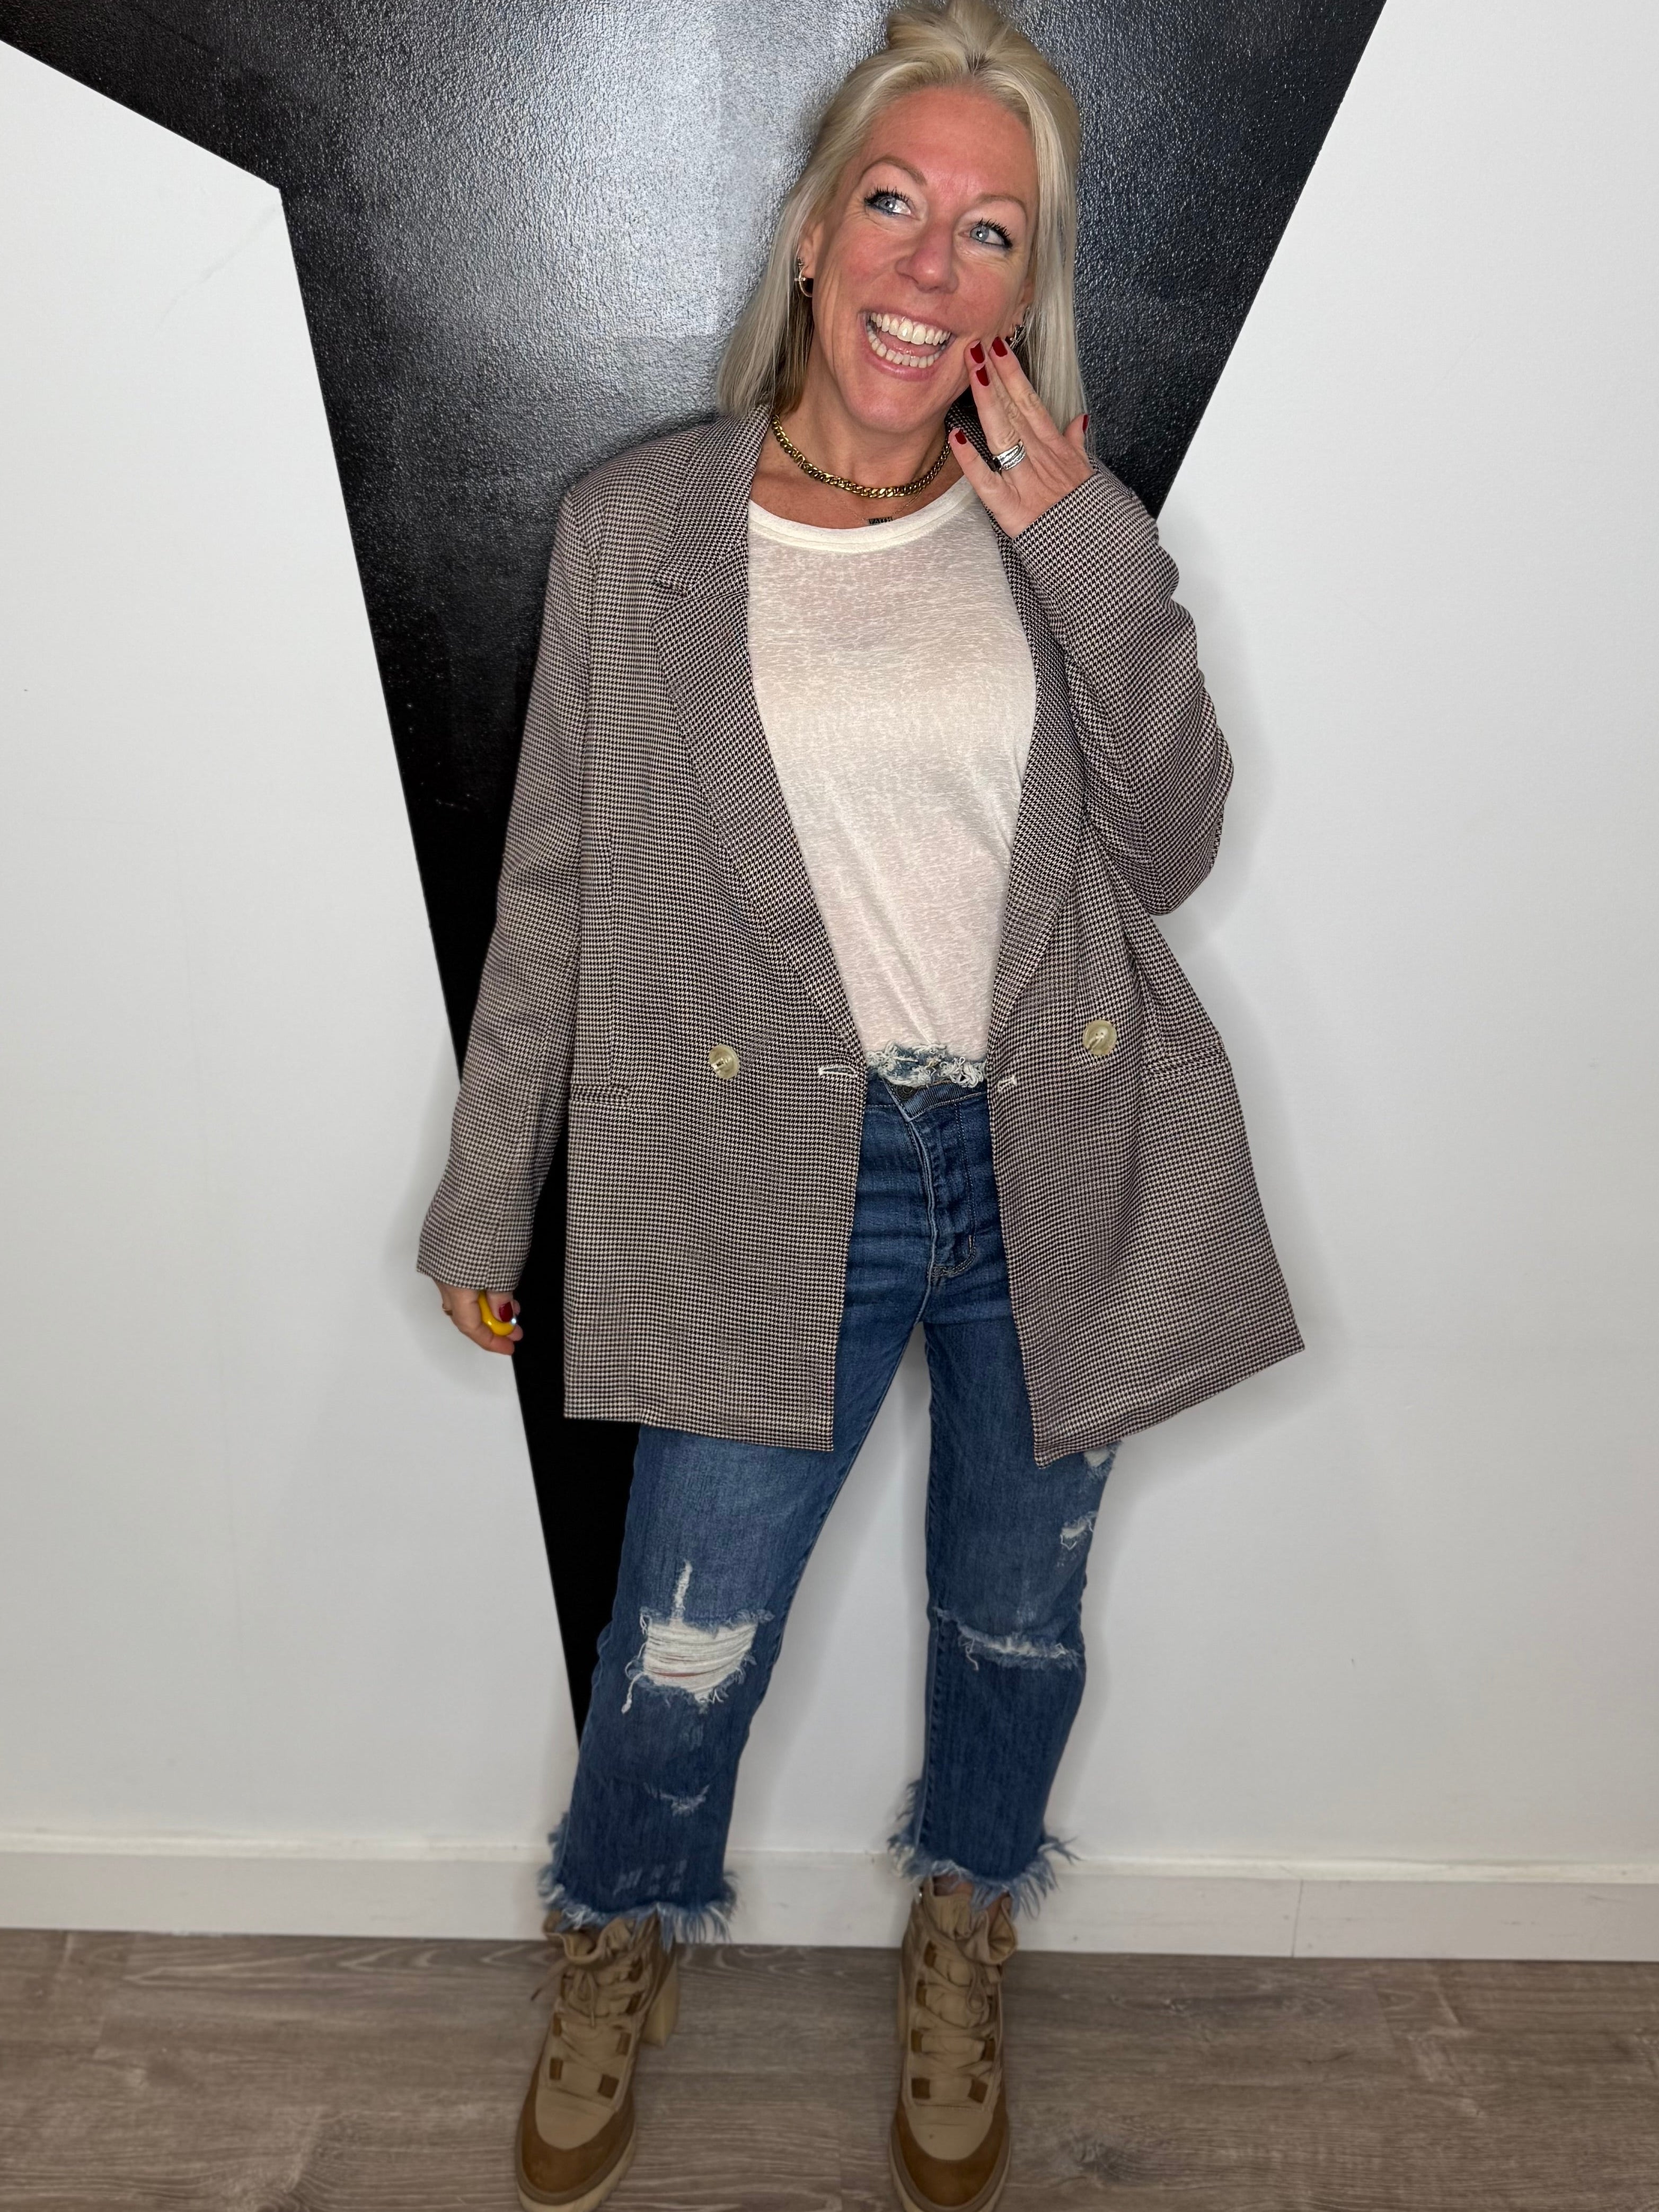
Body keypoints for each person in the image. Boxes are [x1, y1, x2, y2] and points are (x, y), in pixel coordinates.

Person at [418, 1, 1301, 2205]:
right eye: (894, 203)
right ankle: (620, 1926)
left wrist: (1090, 547)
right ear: (814, 233)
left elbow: (1173, 843)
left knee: (1016, 1617)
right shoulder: (639, 530)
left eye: (988, 232)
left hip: (1049, 1162)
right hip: (758, 1169)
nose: (930, 261)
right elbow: (555, 892)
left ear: (1021, 286)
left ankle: (964, 1921)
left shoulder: (1054, 524)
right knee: (686, 1627)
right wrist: (484, 1199)